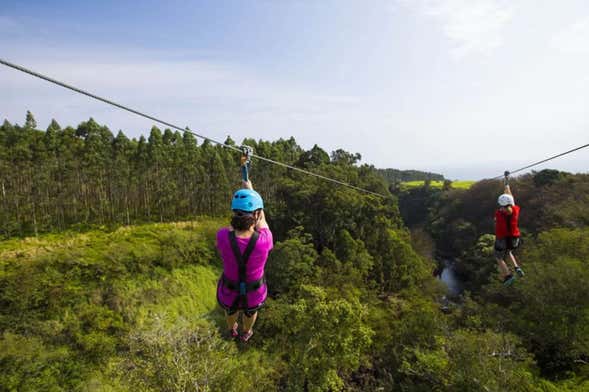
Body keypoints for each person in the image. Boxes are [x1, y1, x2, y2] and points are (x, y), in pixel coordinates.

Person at [216, 180, 273, 342]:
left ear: (234, 213)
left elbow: (232, 229)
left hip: (229, 290)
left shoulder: (222, 237)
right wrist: (252, 191)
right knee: (250, 311)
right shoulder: (265, 240)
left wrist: (248, 196)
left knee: (231, 309)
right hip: (254, 292)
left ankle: (230, 329)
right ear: (255, 214)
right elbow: (261, 220)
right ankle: (246, 331)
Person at [494, 182, 524, 286]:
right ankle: (517, 267)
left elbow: (508, 200)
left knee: (499, 258)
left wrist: (506, 185)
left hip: (502, 239)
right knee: (509, 252)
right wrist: (507, 185)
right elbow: (511, 198)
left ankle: (508, 275)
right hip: (514, 237)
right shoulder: (515, 211)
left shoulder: (499, 214)